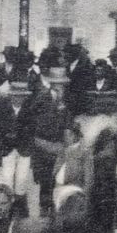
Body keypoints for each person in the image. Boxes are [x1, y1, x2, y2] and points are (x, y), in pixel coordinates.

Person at [23, 70, 73, 214]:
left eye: (63, 85)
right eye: (58, 84)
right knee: (45, 178)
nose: (61, 87)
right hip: (43, 143)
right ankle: (44, 209)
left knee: (58, 176)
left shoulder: (65, 100)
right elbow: (31, 117)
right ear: (52, 84)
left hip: (59, 143)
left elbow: (68, 119)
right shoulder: (42, 97)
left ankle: (55, 207)